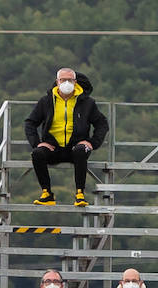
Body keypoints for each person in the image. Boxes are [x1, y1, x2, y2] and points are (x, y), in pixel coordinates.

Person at [23, 67, 108, 208]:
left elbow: (102, 123)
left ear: (75, 82)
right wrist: (37, 143)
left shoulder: (87, 102)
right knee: (37, 154)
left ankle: (80, 194)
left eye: (70, 80)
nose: (66, 83)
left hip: (76, 148)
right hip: (53, 148)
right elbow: (30, 123)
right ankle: (47, 193)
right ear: (57, 81)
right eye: (63, 80)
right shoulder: (46, 101)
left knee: (81, 150)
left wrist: (92, 142)